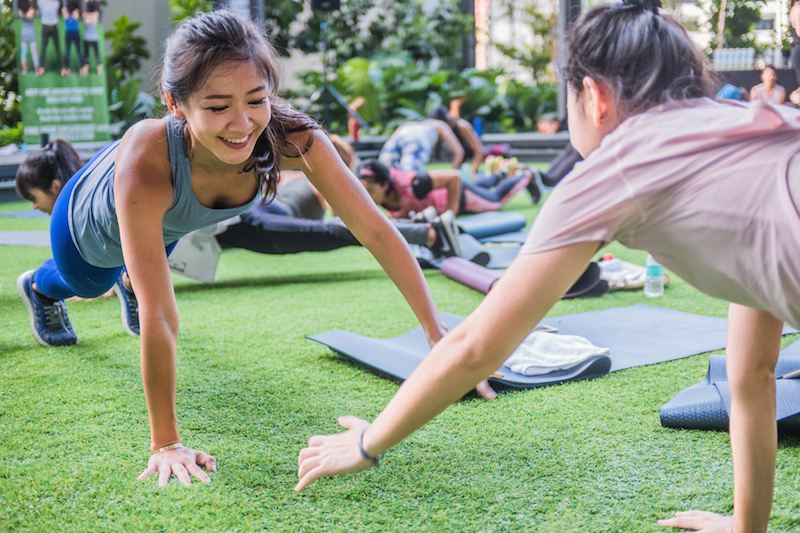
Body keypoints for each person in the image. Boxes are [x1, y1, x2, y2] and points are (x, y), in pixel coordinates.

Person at [296, 2, 800, 532]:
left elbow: (476, 348)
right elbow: (751, 374)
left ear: (594, 96)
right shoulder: (750, 127)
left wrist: (366, 443)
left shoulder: (617, 166)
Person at [15, 10, 449, 487]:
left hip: (164, 224)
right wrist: (166, 443)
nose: (242, 124)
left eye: (256, 99)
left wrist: (437, 335)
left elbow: (377, 231)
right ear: (174, 103)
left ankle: (134, 275)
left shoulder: (294, 137)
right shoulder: (149, 155)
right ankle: (40, 286)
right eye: (218, 106)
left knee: (149, 259)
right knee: (90, 279)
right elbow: (161, 314)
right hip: (85, 227)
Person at [357, 158, 533, 220]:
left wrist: (451, 212)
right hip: (456, 193)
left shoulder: (415, 184)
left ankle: (528, 176)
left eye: (371, 191)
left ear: (385, 184)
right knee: (484, 185)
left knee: (495, 200)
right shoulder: (383, 199)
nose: (367, 197)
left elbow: (453, 177)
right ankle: (502, 172)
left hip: (460, 195)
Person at [378, 117, 465, 175]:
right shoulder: (440, 125)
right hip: (417, 141)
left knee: (382, 172)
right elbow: (459, 152)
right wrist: (452, 173)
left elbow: (393, 136)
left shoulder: (415, 123)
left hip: (401, 133)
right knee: (410, 178)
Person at [427, 105, 486, 174]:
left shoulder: (462, 127)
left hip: (469, 163)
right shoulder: (439, 131)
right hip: (458, 164)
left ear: (447, 121)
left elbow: (478, 151)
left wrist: (474, 172)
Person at [39, 0, 64, 76]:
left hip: (46, 26)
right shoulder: (56, 3)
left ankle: (41, 68)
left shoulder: (40, 2)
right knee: (57, 48)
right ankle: (62, 68)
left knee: (43, 47)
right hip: (53, 26)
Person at [18, 0, 41, 76]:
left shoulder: (20, 11)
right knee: (34, 51)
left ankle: (24, 69)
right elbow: (34, 8)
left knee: (23, 52)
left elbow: (22, 12)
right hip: (31, 33)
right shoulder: (31, 10)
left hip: (24, 33)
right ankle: (37, 70)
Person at [80, 0, 101, 77]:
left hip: (87, 38)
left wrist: (85, 4)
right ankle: (99, 70)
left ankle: (86, 71)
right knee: (97, 55)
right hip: (95, 38)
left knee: (86, 55)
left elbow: (84, 19)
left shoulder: (85, 15)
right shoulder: (96, 14)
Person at [62, 0, 82, 76]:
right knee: (79, 51)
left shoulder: (65, 11)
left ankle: (68, 70)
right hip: (75, 32)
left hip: (68, 32)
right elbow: (76, 17)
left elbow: (64, 17)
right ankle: (81, 69)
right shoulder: (76, 11)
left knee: (68, 51)